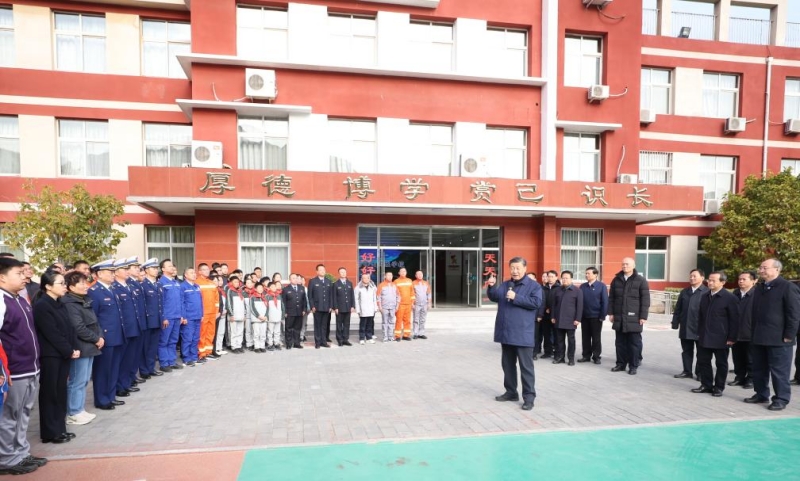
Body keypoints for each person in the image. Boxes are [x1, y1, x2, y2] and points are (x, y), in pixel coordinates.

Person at [0, 257, 48, 475]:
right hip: (15, 371)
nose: (25, 277)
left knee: (24, 413)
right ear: (2, 277)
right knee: (10, 415)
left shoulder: (19, 298)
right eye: (18, 273)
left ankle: (21, 451)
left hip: (31, 367)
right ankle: (7, 458)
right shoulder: (2, 300)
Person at [487, 257, 542, 411]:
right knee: (508, 365)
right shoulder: (506, 284)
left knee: (526, 368)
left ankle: (529, 397)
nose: (514, 271)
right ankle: (511, 392)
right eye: (512, 268)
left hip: (523, 334)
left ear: (524, 269)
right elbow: (495, 297)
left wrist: (516, 297)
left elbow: (536, 303)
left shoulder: (533, 286)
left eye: (518, 268)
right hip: (507, 333)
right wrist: (491, 287)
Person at [745, 258, 800, 411]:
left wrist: (789, 334)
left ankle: (781, 399)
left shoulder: (787, 287)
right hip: (759, 337)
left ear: (776, 270)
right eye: (760, 267)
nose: (761, 270)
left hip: (779, 338)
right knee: (759, 369)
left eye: (765, 268)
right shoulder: (760, 288)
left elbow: (794, 314)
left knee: (779, 372)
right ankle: (761, 394)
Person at [32, 271, 80, 443]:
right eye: (60, 283)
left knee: (60, 392)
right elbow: (52, 333)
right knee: (50, 393)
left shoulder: (60, 303)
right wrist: (68, 350)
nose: (64, 286)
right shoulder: (42, 305)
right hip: (51, 355)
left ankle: (60, 428)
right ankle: (50, 432)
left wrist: (74, 347)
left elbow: (70, 328)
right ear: (48, 286)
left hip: (63, 354)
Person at [61, 271, 102, 426]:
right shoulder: (69, 303)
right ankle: (73, 412)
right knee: (76, 380)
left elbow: (95, 321)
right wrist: (96, 338)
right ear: (71, 287)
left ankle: (80, 409)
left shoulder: (84, 300)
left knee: (84, 380)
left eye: (86, 282)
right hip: (81, 346)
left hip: (90, 345)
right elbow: (78, 327)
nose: (86, 286)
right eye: (82, 283)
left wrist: (100, 336)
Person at [86, 260, 125, 411]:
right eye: (109, 272)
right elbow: (93, 317)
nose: (112, 275)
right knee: (103, 370)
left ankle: (111, 396)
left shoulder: (112, 289)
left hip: (117, 335)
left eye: (113, 272)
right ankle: (102, 399)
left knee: (114, 367)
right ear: (99, 274)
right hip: (105, 338)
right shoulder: (94, 292)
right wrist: (99, 336)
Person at [692, 271, 738, 397]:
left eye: (713, 281)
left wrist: (732, 337)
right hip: (704, 336)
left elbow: (734, 319)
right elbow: (700, 317)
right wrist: (699, 333)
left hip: (721, 338)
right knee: (703, 362)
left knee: (721, 364)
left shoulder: (730, 298)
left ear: (722, 282)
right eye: (709, 280)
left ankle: (718, 387)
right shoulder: (705, 296)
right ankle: (706, 385)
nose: (710, 282)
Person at [608, 257, 650, 375]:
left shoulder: (641, 280)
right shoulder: (616, 280)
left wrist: (643, 316)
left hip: (634, 317)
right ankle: (620, 364)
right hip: (619, 317)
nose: (624, 266)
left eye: (627, 264)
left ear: (633, 265)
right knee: (620, 342)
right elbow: (611, 298)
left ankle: (633, 365)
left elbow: (645, 299)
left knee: (634, 343)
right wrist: (611, 313)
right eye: (623, 264)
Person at [110, 258, 142, 398]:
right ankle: (119, 386)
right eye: (125, 269)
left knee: (130, 358)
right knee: (121, 360)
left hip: (134, 327)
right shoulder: (115, 287)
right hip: (124, 330)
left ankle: (126, 382)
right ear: (116, 272)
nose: (128, 272)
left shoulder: (129, 285)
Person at [671, 269, 708, 380]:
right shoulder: (685, 292)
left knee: (701, 352)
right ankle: (687, 371)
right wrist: (675, 322)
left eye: (694, 276)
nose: (692, 278)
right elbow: (678, 308)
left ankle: (700, 373)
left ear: (702, 278)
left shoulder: (706, 292)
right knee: (686, 351)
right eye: (690, 276)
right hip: (685, 326)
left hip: (700, 328)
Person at [139, 259, 164, 378]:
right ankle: (144, 370)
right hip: (148, 321)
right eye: (153, 268)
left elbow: (161, 303)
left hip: (157, 320)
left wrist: (163, 317)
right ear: (146, 270)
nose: (156, 270)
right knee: (145, 346)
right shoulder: (143, 285)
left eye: (156, 268)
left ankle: (151, 367)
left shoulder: (158, 284)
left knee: (153, 347)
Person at [158, 259, 184, 372]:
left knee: (173, 340)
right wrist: (163, 317)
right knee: (164, 341)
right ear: (163, 269)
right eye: (169, 266)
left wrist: (182, 315)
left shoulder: (176, 282)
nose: (172, 268)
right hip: (167, 317)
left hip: (177, 316)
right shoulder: (161, 283)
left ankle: (172, 361)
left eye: (172, 266)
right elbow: (160, 302)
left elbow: (181, 300)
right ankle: (164, 363)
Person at [731, 271, 756, 388]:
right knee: (737, 357)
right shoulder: (735, 294)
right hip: (736, 332)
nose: (740, 281)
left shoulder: (757, 295)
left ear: (753, 281)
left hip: (750, 332)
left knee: (751, 358)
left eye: (744, 279)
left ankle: (751, 378)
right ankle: (739, 377)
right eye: (739, 279)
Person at [552, 271, 582, 366]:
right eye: (563, 278)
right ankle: (560, 357)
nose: (564, 280)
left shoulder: (577, 291)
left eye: (566, 278)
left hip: (571, 320)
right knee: (559, 340)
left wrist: (577, 319)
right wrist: (553, 316)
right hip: (559, 319)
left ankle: (571, 358)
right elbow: (553, 305)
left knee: (571, 340)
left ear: (571, 279)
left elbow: (580, 306)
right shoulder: (558, 290)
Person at [578, 267, 608, 364]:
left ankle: (596, 356)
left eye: (589, 273)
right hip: (585, 316)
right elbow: (579, 302)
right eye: (586, 273)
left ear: (595, 274)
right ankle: (586, 356)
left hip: (596, 317)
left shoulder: (601, 286)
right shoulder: (583, 286)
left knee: (596, 338)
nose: (587, 275)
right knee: (585, 337)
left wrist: (602, 315)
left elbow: (605, 302)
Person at [196, 263, 220, 360]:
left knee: (210, 333)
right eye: (204, 269)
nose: (207, 271)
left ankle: (208, 351)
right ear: (200, 271)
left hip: (212, 313)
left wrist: (216, 311)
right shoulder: (197, 283)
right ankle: (201, 353)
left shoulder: (212, 283)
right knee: (202, 333)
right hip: (203, 313)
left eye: (207, 269)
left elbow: (216, 300)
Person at [180, 268, 203, 366]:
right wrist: (183, 316)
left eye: (194, 272)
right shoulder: (183, 286)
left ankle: (194, 357)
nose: (194, 274)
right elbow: (181, 303)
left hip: (197, 316)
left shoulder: (197, 286)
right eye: (191, 273)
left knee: (195, 338)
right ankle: (186, 358)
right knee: (187, 338)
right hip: (188, 317)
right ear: (185, 275)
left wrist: (202, 314)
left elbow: (201, 302)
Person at [536, 271, 559, 360]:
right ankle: (547, 352)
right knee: (546, 334)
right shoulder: (543, 288)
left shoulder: (559, 288)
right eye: (548, 276)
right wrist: (545, 309)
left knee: (557, 335)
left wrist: (552, 310)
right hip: (545, 315)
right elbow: (541, 301)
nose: (550, 278)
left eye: (552, 276)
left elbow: (559, 302)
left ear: (556, 277)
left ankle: (557, 352)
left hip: (555, 315)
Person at [308, 264, 333, 349]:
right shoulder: (313, 281)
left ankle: (324, 341)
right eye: (320, 270)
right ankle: (317, 342)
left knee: (324, 325)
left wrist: (330, 306)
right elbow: (310, 295)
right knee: (317, 325)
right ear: (317, 271)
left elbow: (331, 295)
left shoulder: (328, 281)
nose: (323, 271)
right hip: (317, 307)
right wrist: (312, 306)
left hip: (326, 307)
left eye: (324, 270)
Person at [282, 273, 306, 350]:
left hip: (299, 312)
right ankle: (289, 343)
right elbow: (284, 302)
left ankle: (297, 343)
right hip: (289, 312)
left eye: (296, 278)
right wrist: (285, 312)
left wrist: (304, 309)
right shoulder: (286, 289)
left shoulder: (301, 288)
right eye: (293, 278)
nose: (295, 280)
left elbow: (304, 300)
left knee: (297, 328)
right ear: (290, 280)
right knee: (289, 328)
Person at [333, 267, 355, 347]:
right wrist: (335, 307)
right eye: (341, 272)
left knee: (347, 324)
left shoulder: (349, 283)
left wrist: (353, 306)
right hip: (339, 308)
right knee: (339, 324)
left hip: (348, 307)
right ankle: (339, 340)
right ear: (339, 274)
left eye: (344, 272)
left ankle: (345, 339)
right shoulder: (336, 284)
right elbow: (334, 297)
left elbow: (352, 295)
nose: (343, 273)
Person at [355, 274, 378, 345]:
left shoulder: (372, 287)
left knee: (369, 324)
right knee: (362, 324)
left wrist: (375, 307)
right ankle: (362, 338)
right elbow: (356, 299)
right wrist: (358, 309)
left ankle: (369, 337)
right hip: (363, 309)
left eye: (367, 278)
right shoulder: (358, 287)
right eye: (364, 278)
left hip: (371, 309)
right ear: (362, 279)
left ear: (369, 279)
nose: (366, 279)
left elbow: (374, 298)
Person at [377, 272, 399, 343]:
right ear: (385, 276)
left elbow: (398, 296)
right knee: (385, 322)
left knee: (391, 322)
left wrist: (397, 306)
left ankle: (390, 336)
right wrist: (380, 307)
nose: (390, 277)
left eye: (391, 275)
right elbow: (378, 297)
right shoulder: (381, 285)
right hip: (384, 307)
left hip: (393, 307)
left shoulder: (395, 285)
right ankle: (385, 337)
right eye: (388, 275)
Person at [394, 268, 414, 341]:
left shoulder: (409, 281)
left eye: (404, 271)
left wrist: (412, 302)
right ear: (399, 273)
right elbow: (395, 294)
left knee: (407, 320)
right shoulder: (396, 282)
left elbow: (412, 292)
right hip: (400, 304)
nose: (403, 272)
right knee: (399, 320)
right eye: (401, 271)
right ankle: (397, 336)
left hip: (408, 304)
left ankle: (406, 335)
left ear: (406, 272)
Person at [210, 273, 228, 356]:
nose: (218, 282)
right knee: (214, 333)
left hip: (222, 313)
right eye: (216, 280)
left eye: (219, 280)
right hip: (215, 314)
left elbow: (222, 303)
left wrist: (223, 310)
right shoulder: (212, 290)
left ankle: (219, 348)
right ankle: (214, 349)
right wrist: (219, 312)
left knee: (221, 332)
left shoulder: (221, 291)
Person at [249, 282, 268, 352]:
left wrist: (266, 315)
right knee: (256, 333)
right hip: (256, 319)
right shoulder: (252, 297)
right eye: (258, 288)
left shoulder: (264, 297)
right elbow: (252, 308)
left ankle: (262, 346)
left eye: (261, 288)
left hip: (264, 318)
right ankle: (256, 347)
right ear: (255, 289)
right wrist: (258, 316)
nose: (260, 289)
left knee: (263, 333)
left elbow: (268, 308)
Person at [412, 270, 431, 340]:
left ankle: (421, 333)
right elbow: (412, 294)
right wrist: (412, 303)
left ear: (423, 275)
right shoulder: (413, 283)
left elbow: (429, 294)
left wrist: (429, 303)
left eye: (421, 274)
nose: (420, 275)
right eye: (418, 274)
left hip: (424, 304)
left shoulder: (426, 283)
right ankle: (415, 333)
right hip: (416, 304)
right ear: (415, 275)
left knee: (423, 319)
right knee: (416, 319)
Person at [266, 282, 285, 351]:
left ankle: (276, 343)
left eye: (275, 287)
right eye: (272, 287)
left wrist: (282, 314)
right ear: (269, 288)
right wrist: (266, 315)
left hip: (278, 315)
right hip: (270, 316)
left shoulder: (278, 296)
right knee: (270, 331)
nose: (274, 288)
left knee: (277, 331)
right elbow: (266, 307)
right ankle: (270, 344)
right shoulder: (267, 296)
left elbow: (282, 305)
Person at [242, 277, 257, 351]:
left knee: (254, 330)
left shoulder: (256, 292)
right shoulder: (243, 293)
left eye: (251, 283)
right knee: (248, 330)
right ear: (245, 284)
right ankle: (249, 344)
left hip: (255, 315)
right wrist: (244, 314)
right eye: (248, 283)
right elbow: (242, 305)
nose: (249, 284)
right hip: (247, 314)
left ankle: (255, 343)